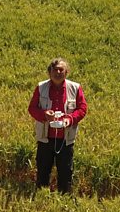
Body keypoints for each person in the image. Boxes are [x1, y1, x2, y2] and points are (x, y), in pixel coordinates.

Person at [27, 58, 88, 193]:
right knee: (43, 172)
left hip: (66, 139)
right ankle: (42, 198)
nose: (58, 72)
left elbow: (82, 109)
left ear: (66, 72)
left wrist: (70, 119)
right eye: (55, 70)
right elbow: (32, 108)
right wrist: (44, 115)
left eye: (61, 70)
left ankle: (64, 200)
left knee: (65, 174)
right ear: (50, 72)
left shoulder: (75, 88)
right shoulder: (41, 87)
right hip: (45, 139)